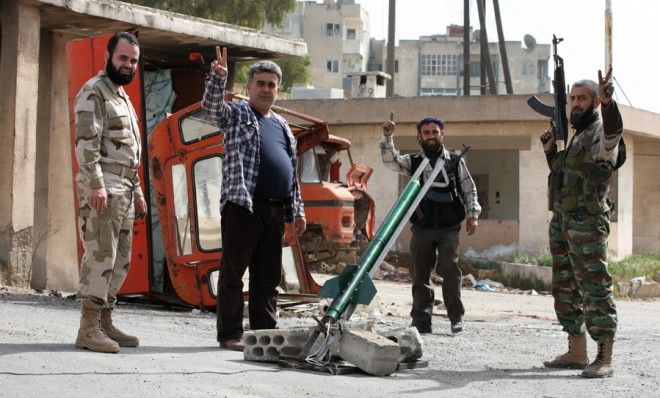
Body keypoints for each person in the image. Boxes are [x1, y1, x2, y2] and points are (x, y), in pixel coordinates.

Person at [202, 47, 306, 351]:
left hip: (275, 209)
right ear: (248, 88)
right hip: (243, 205)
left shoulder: (283, 126)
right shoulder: (236, 114)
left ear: (278, 90)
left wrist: (296, 211)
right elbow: (211, 112)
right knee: (233, 273)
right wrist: (217, 79)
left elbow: (291, 173)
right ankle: (231, 334)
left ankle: (264, 332)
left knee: (268, 276)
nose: (265, 89)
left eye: (271, 84)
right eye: (260, 83)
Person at [540, 67, 623, 378]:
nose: (575, 104)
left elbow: (614, 132)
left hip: (587, 222)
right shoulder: (574, 139)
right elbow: (565, 176)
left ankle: (604, 356)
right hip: (563, 220)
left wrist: (611, 103)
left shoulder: (601, 135)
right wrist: (550, 151)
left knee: (593, 287)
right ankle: (576, 350)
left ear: (596, 102)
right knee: (565, 287)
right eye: (572, 98)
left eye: (582, 99)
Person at [73, 31, 147, 353]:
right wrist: (96, 185)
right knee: (100, 256)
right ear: (108, 57)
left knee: (121, 260)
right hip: (103, 188)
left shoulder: (121, 95)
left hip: (125, 188)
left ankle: (105, 321)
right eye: (123, 58)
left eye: (133, 60)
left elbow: (129, 151)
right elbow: (87, 143)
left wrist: (139, 190)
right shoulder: (95, 91)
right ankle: (88, 329)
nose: (128, 65)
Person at [380, 116, 481, 334]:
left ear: (441, 135)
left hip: (448, 227)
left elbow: (469, 188)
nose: (431, 136)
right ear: (419, 136)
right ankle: (421, 321)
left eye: (435, 132)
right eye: (426, 133)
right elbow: (391, 162)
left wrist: (473, 215)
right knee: (420, 274)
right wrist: (388, 137)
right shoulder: (414, 161)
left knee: (450, 270)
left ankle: (456, 319)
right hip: (422, 227)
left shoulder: (455, 161)